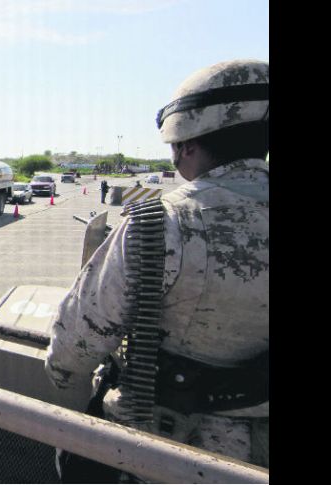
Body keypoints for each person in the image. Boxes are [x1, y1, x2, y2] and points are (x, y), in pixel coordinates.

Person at [45, 59, 269, 481]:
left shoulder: (160, 222)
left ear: (186, 142)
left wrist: (60, 372)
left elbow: (75, 346)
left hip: (155, 454)